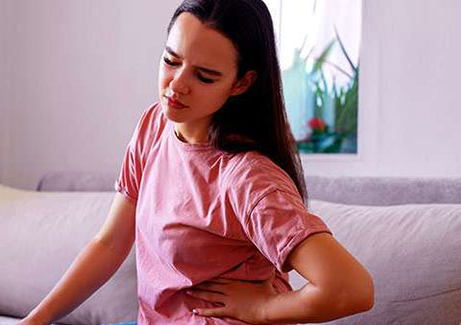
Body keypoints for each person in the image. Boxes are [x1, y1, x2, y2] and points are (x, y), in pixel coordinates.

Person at [20, 0, 374, 324]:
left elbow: (351, 288)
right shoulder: (154, 127)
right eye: (171, 60)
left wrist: (261, 308)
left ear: (241, 83)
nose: (177, 85)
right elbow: (110, 243)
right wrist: (36, 320)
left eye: (204, 76)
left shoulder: (250, 178)